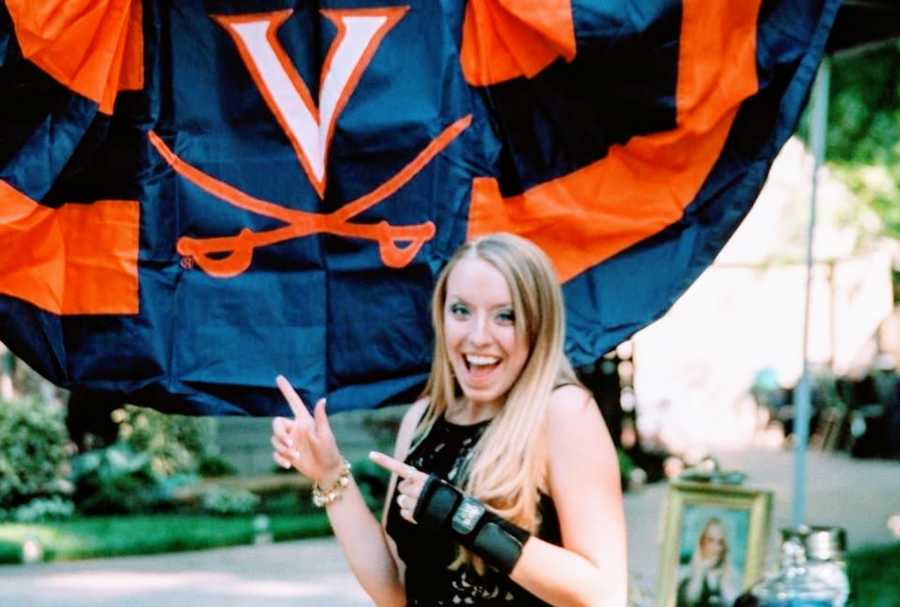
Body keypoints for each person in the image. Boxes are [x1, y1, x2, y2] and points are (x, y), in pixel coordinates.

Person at [271, 233, 627, 606]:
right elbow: (395, 590)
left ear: (539, 327)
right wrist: (329, 473)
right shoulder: (423, 419)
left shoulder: (564, 412)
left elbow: (603, 594)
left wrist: (464, 518)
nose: (478, 337)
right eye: (461, 311)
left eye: (505, 316)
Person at [676, 517, 739, 607]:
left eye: (720, 542)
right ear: (702, 542)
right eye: (710, 540)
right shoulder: (686, 578)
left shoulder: (733, 580)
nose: (716, 548)